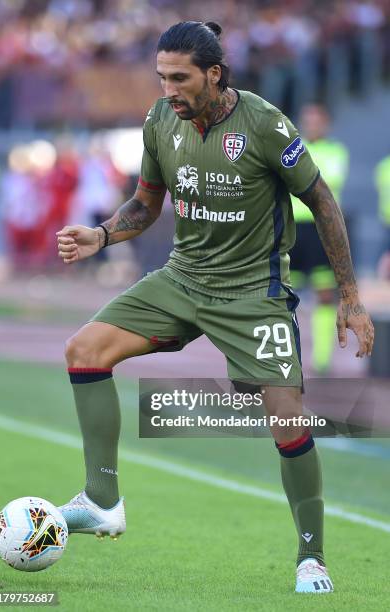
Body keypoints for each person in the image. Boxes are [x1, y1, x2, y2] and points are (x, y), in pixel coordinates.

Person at [56, 21, 374, 594]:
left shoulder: (264, 123)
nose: (168, 90)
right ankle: (103, 499)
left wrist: (351, 298)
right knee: (83, 351)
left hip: (254, 292)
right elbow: (145, 204)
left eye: (180, 79)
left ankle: (311, 558)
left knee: (285, 414)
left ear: (214, 74)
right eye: (162, 78)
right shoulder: (160, 122)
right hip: (182, 279)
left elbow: (322, 202)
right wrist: (101, 236)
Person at [290, 104, 349, 374]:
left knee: (324, 293)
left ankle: (323, 358)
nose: (312, 125)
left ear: (326, 125)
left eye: (317, 121)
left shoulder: (336, 152)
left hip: (321, 230)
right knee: (284, 294)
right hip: (292, 228)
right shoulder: (291, 148)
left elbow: (323, 184)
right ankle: (288, 355)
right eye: (308, 120)